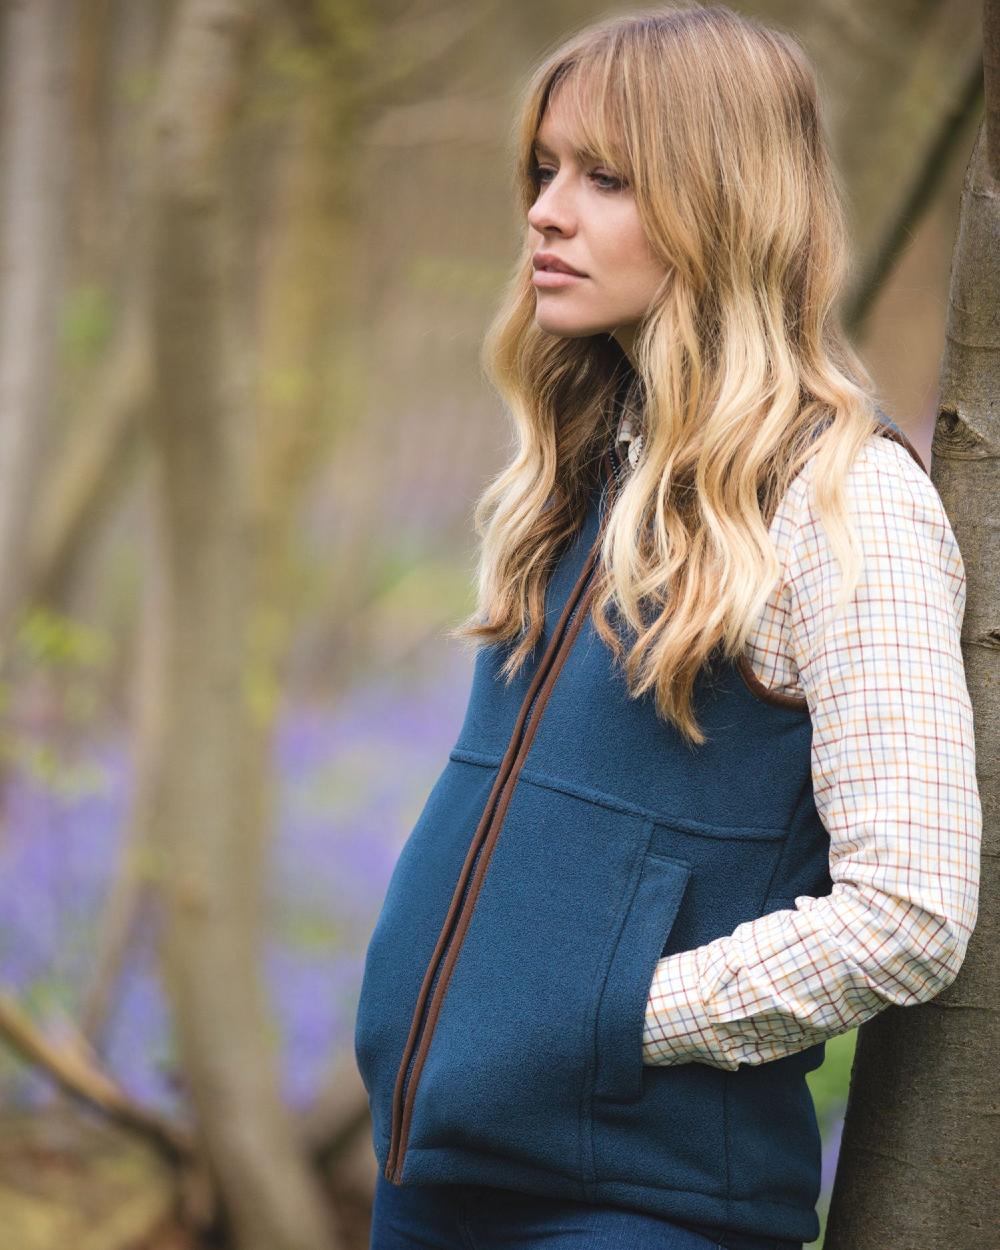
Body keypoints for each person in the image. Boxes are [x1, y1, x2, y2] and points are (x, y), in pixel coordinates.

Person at [353, 5, 982, 1248]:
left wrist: (608, 1008)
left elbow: (909, 908)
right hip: (429, 1180)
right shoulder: (582, 469)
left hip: (631, 1210)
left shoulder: (840, 499)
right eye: (543, 171)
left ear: (720, 201)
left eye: (605, 177)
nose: (544, 209)